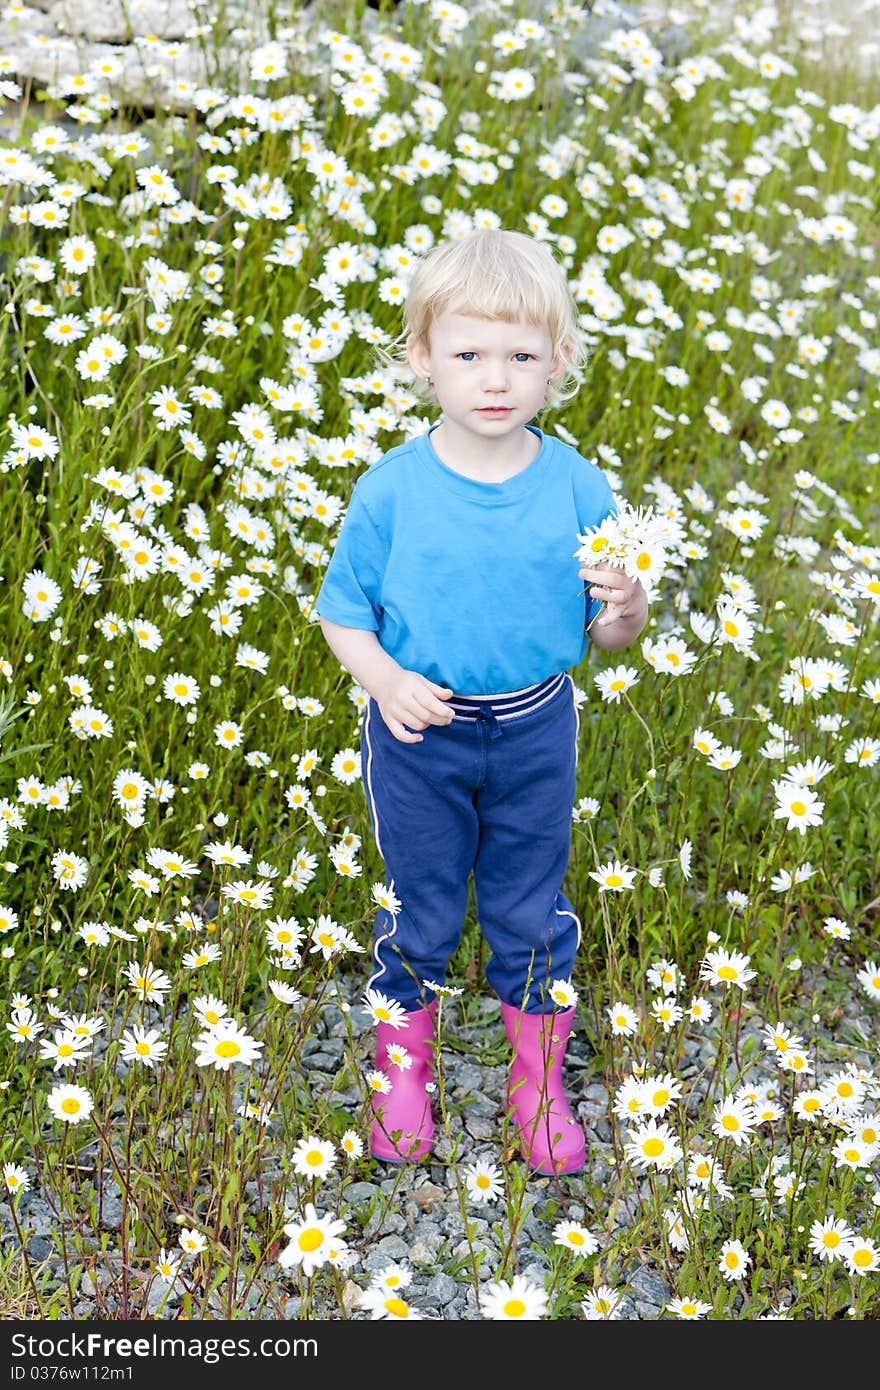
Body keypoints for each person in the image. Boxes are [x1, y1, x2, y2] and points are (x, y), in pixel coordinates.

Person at [315, 227, 648, 1175]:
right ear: (424, 360)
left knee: (530, 903)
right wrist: (385, 681)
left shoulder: (578, 486)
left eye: (520, 356)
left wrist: (628, 604)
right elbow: (344, 616)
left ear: (558, 364)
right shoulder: (391, 492)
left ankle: (535, 1080)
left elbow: (609, 633)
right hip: (421, 728)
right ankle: (403, 1077)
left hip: (537, 723)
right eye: (468, 354)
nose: (494, 378)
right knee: (419, 904)